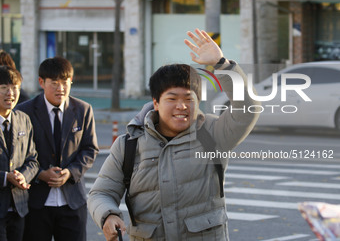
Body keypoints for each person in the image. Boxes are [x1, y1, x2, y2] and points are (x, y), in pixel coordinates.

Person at [87, 28, 260, 240]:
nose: (181, 106)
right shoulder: (129, 145)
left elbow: (248, 108)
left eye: (189, 99)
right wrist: (107, 216)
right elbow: (101, 192)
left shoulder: (212, 134)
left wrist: (222, 64)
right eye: (172, 99)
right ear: (156, 103)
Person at [16, 56, 99, 241]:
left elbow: (90, 149)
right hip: (35, 202)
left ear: (71, 81)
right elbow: (19, 154)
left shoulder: (83, 110)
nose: (60, 88)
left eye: (65, 82)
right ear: (41, 82)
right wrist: (39, 174)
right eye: (54, 83)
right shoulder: (24, 112)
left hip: (72, 202)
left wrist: (69, 173)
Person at [0, 65, 39, 241]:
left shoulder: (23, 119)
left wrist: (23, 176)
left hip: (19, 207)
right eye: (4, 88)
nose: (11, 93)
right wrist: (5, 177)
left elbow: (32, 160)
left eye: (15, 88)